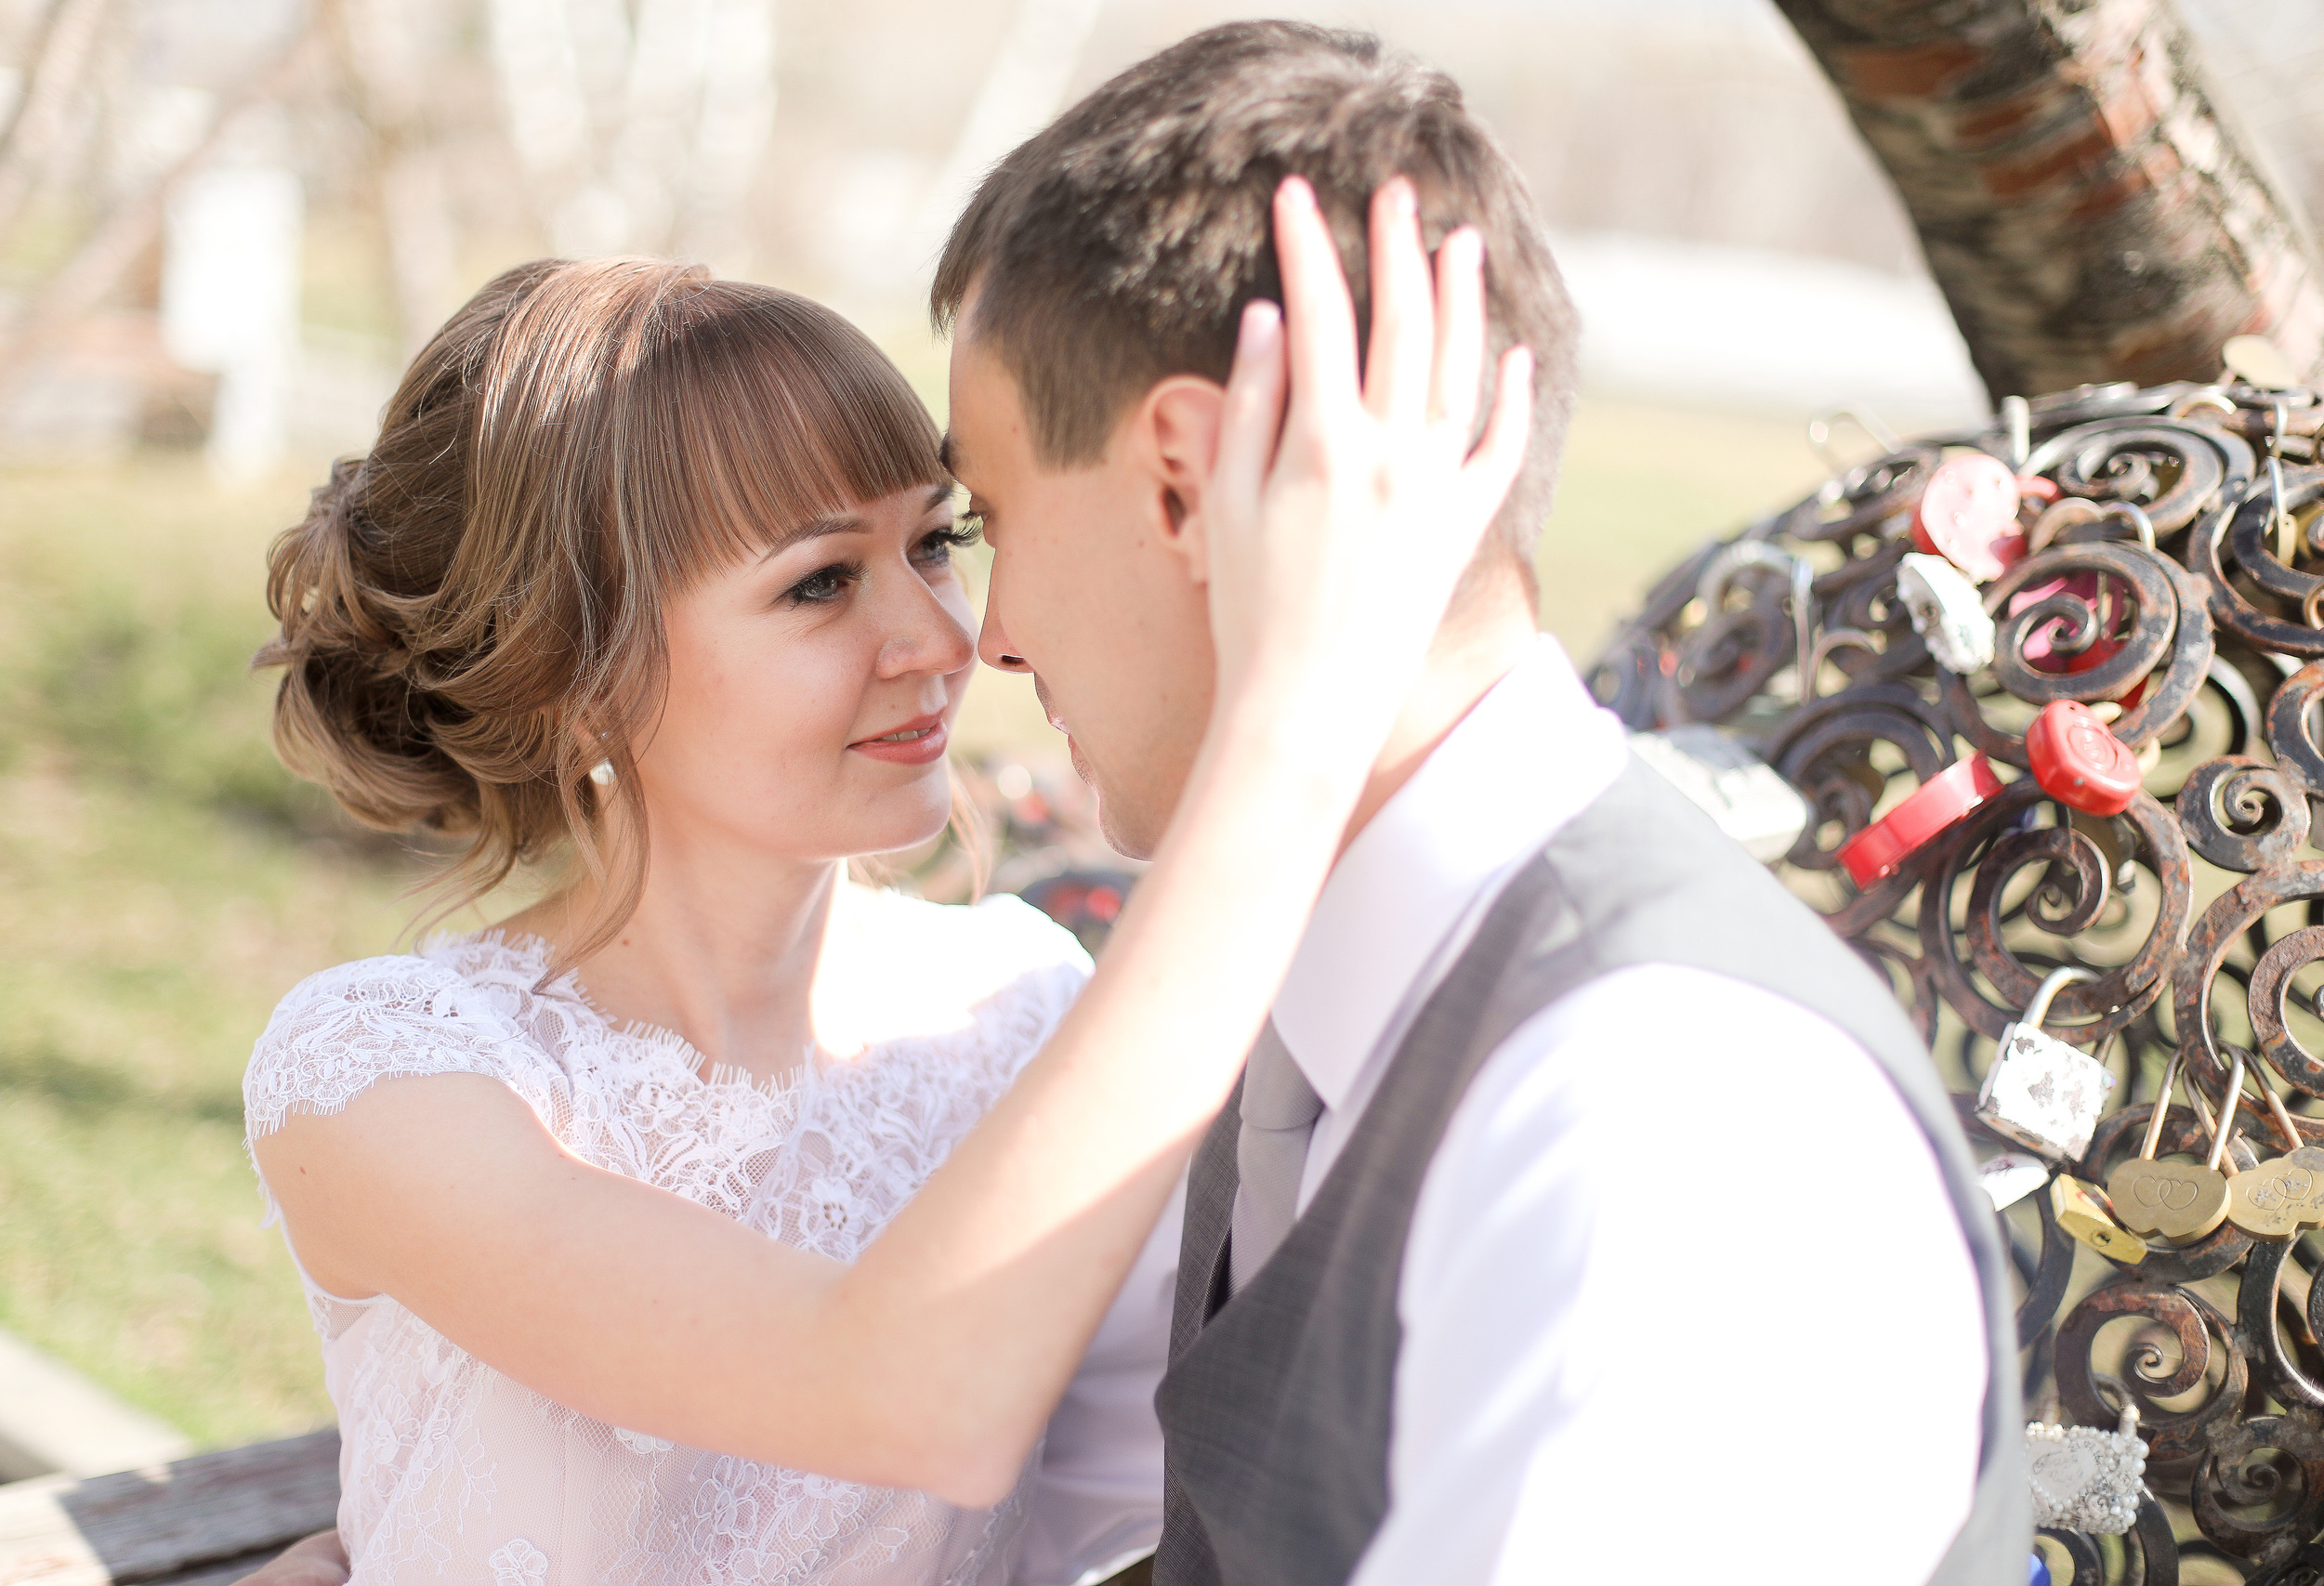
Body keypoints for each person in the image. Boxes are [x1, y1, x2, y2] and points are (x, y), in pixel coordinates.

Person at [232, 152, 1527, 1586]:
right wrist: (1288, 723)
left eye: (937, 541)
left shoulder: (1019, 1009)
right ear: (582, 681)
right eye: (821, 582)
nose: (942, 638)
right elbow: (911, 1404)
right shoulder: (384, 1076)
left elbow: (1205, 1476)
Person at [929, 20, 2021, 1585]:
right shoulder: (1304, 1018)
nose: (996, 633)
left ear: (1186, 476)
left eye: (994, 512)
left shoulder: (1663, 1122)